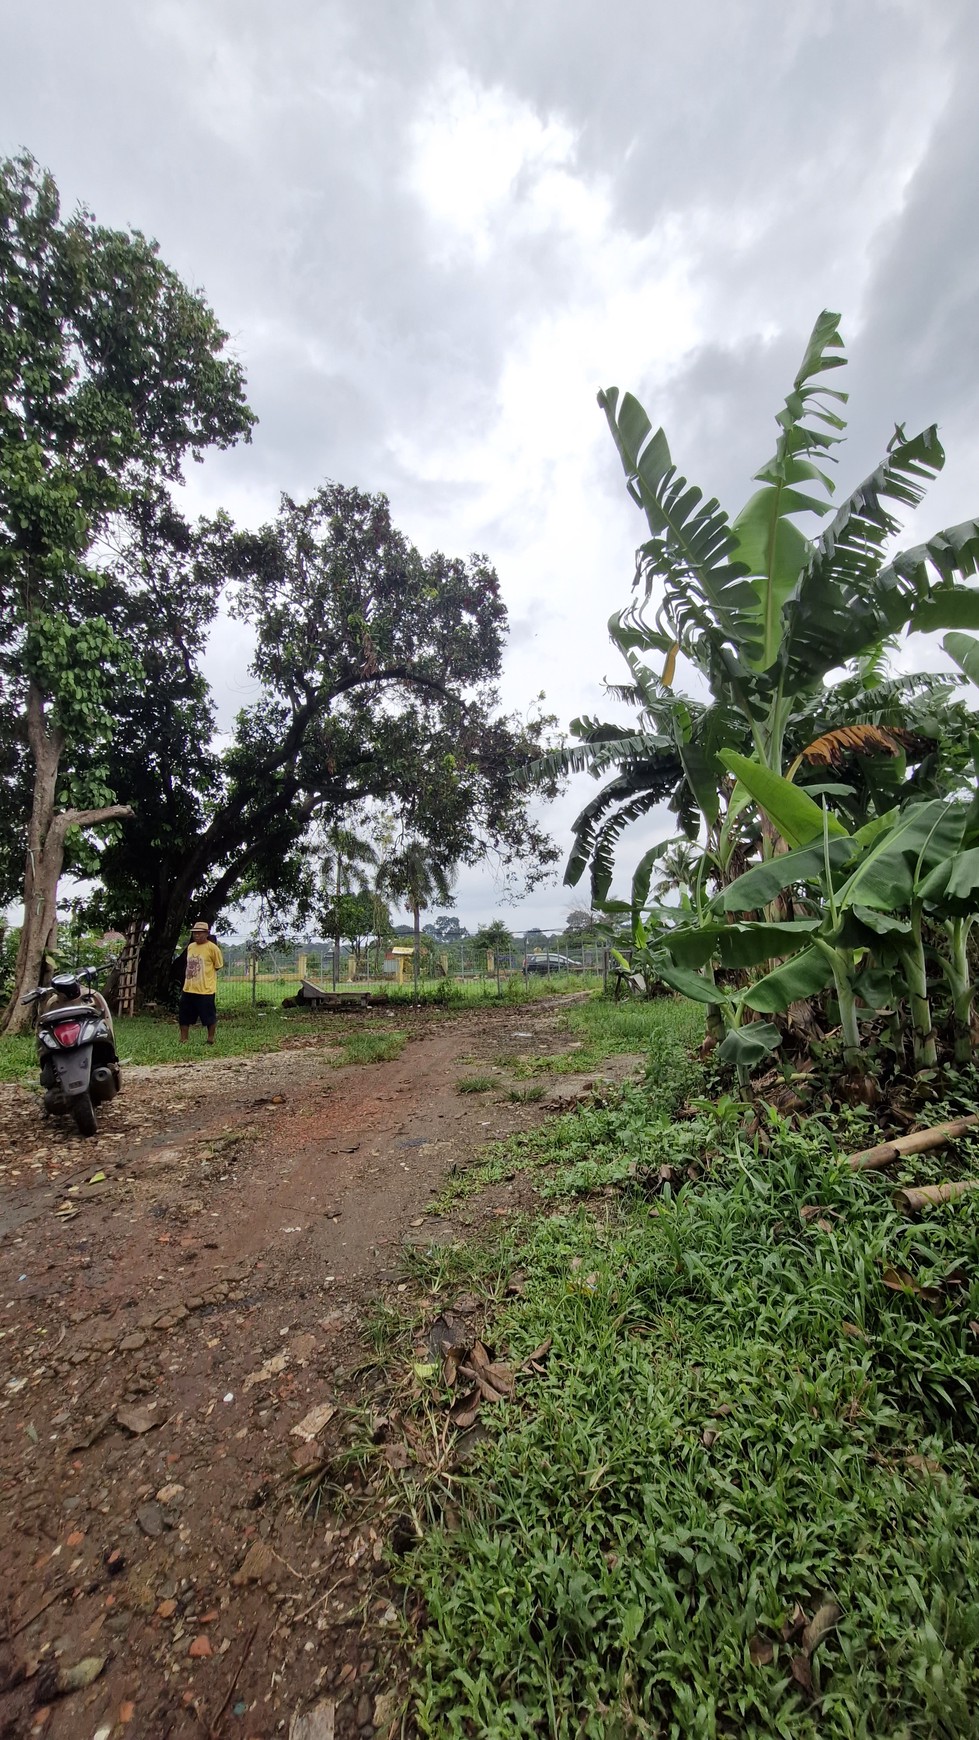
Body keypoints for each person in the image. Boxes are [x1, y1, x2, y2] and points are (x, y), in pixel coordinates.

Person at [178, 921, 224, 1046]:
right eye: (194, 933)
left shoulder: (213, 948)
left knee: (208, 1016)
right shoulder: (191, 947)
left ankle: (210, 1038)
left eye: (199, 933)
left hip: (205, 989)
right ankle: (184, 1039)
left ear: (206, 934)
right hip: (189, 988)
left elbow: (218, 966)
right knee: (184, 1015)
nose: (196, 935)